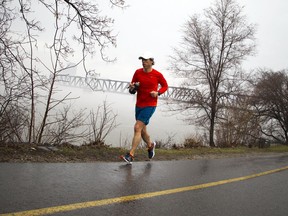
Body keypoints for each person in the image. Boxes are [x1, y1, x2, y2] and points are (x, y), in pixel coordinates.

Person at [120, 52, 168, 164]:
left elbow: (165, 86)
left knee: (137, 127)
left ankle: (130, 155)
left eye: (146, 60)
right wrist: (132, 87)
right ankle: (151, 146)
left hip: (150, 105)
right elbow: (132, 89)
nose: (144, 62)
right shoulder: (137, 72)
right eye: (142, 60)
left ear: (152, 61)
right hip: (139, 104)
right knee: (142, 131)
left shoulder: (157, 75)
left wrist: (158, 92)